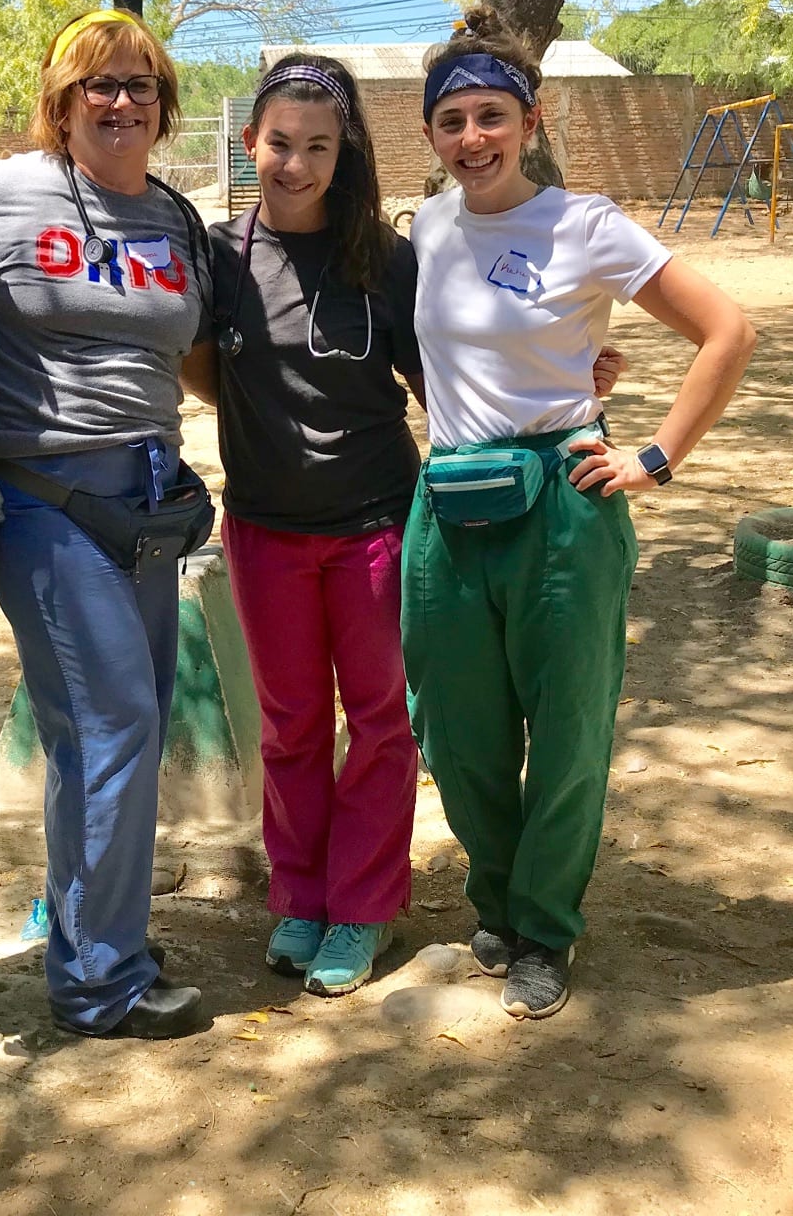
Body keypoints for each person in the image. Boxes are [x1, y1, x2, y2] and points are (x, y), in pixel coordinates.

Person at [194, 54, 627, 998]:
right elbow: (201, 367)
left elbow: (447, 373)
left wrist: (569, 379)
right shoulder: (218, 255)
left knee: (386, 725)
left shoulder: (389, 255)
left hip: (380, 524)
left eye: (318, 146)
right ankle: (300, 899)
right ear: (249, 143)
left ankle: (363, 908)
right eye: (279, 144)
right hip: (264, 527)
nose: (296, 164)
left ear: (344, 152)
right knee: (291, 727)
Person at [402, 8, 756, 1020]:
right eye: (452, 121)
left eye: (491, 117)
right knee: (458, 731)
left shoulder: (587, 224)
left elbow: (728, 330)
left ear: (532, 120)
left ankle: (543, 928)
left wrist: (651, 457)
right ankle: (498, 891)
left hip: (565, 501)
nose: (472, 139)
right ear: (430, 134)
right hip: (451, 499)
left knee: (565, 732)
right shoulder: (427, 225)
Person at [0, 10, 215, 1041]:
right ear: (59, 102)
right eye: (99, 84)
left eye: (141, 84)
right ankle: (101, 980)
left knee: (101, 732)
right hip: (42, 499)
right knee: (112, 727)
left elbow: (198, 357)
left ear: (164, 104)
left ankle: (96, 929)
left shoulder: (176, 221)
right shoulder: (0, 196)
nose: (122, 101)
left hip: (147, 500)